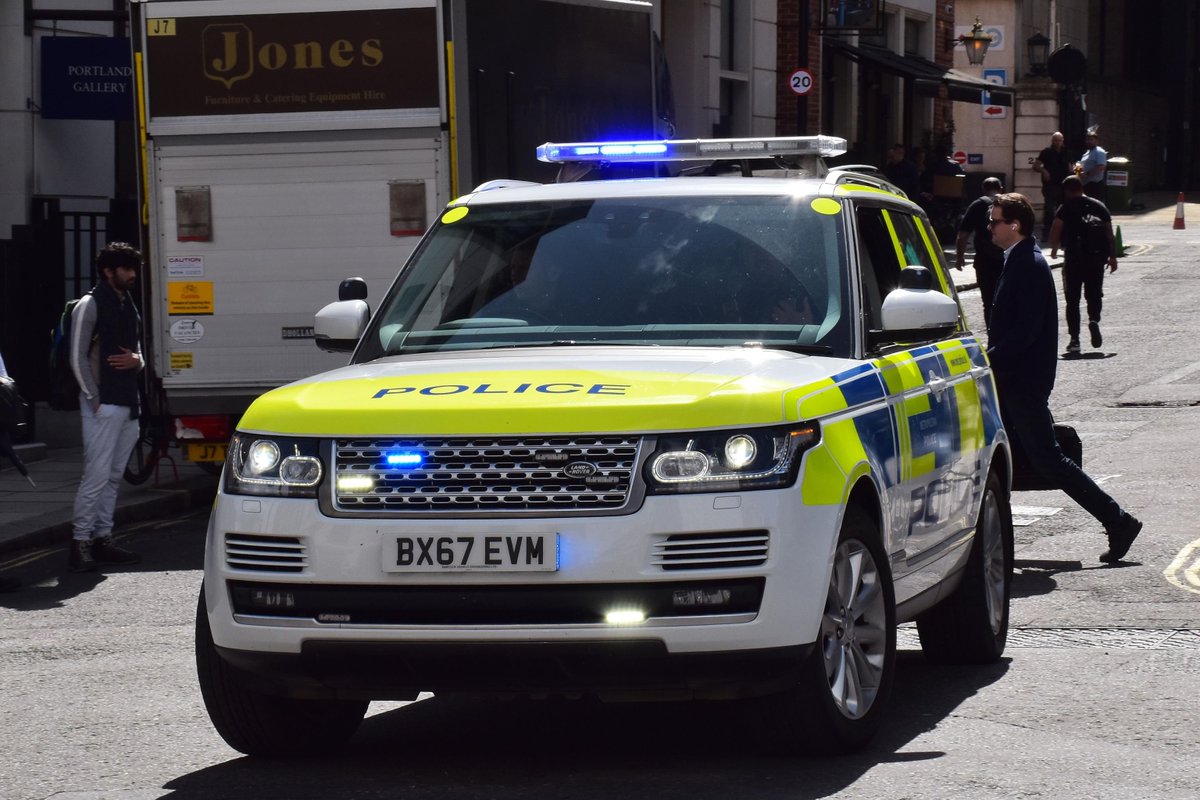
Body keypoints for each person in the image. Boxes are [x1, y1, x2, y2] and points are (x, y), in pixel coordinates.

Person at [985, 193, 1142, 563]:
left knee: (1048, 460)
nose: (989, 227)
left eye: (994, 221)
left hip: (1021, 381)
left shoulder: (1029, 263)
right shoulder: (1018, 260)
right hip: (1014, 379)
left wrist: (986, 360)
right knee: (1005, 457)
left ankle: (1118, 521)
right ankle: (991, 541)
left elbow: (1024, 332)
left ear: (1015, 225)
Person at [68, 243, 145, 573]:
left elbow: (139, 353)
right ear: (108, 271)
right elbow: (77, 356)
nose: (132, 275)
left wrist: (137, 361)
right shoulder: (89, 304)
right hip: (103, 404)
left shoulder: (128, 304)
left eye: (133, 268)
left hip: (128, 403)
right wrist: (93, 399)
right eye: (126, 269)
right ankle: (80, 542)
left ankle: (103, 538)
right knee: (97, 476)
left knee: (114, 476)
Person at [1048, 176, 1118, 353]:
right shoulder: (1099, 206)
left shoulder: (1066, 208)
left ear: (1067, 191)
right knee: (1094, 294)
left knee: (1072, 300)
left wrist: (1054, 249)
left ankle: (1075, 340)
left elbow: (1056, 228)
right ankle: (1094, 320)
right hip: (1096, 259)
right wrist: (1112, 256)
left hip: (1074, 259)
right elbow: (1109, 233)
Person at [954, 176, 1005, 330]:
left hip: (985, 261)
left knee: (988, 301)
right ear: (1001, 188)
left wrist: (960, 257)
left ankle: (992, 336)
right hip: (1008, 260)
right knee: (1009, 299)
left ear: (983, 189)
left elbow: (963, 235)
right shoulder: (1010, 204)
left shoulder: (977, 205)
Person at [1032, 131, 1072, 240]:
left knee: (1063, 210)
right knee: (1049, 210)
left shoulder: (1067, 152)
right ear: (1052, 141)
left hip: (1064, 185)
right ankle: (1046, 234)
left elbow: (1071, 167)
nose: (1058, 143)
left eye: (1060, 140)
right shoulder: (1046, 152)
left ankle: (1063, 235)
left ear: (1063, 141)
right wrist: (1043, 170)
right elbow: (1036, 166)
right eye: (1056, 140)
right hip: (1050, 186)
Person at [1078, 129, 1108, 202]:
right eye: (1087, 140)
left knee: (1095, 208)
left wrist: (1087, 174)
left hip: (1095, 185)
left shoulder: (1099, 151)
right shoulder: (1086, 153)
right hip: (1085, 185)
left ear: (1097, 141)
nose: (1089, 142)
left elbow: (1101, 167)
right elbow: (1079, 165)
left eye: (1091, 140)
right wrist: (1077, 171)